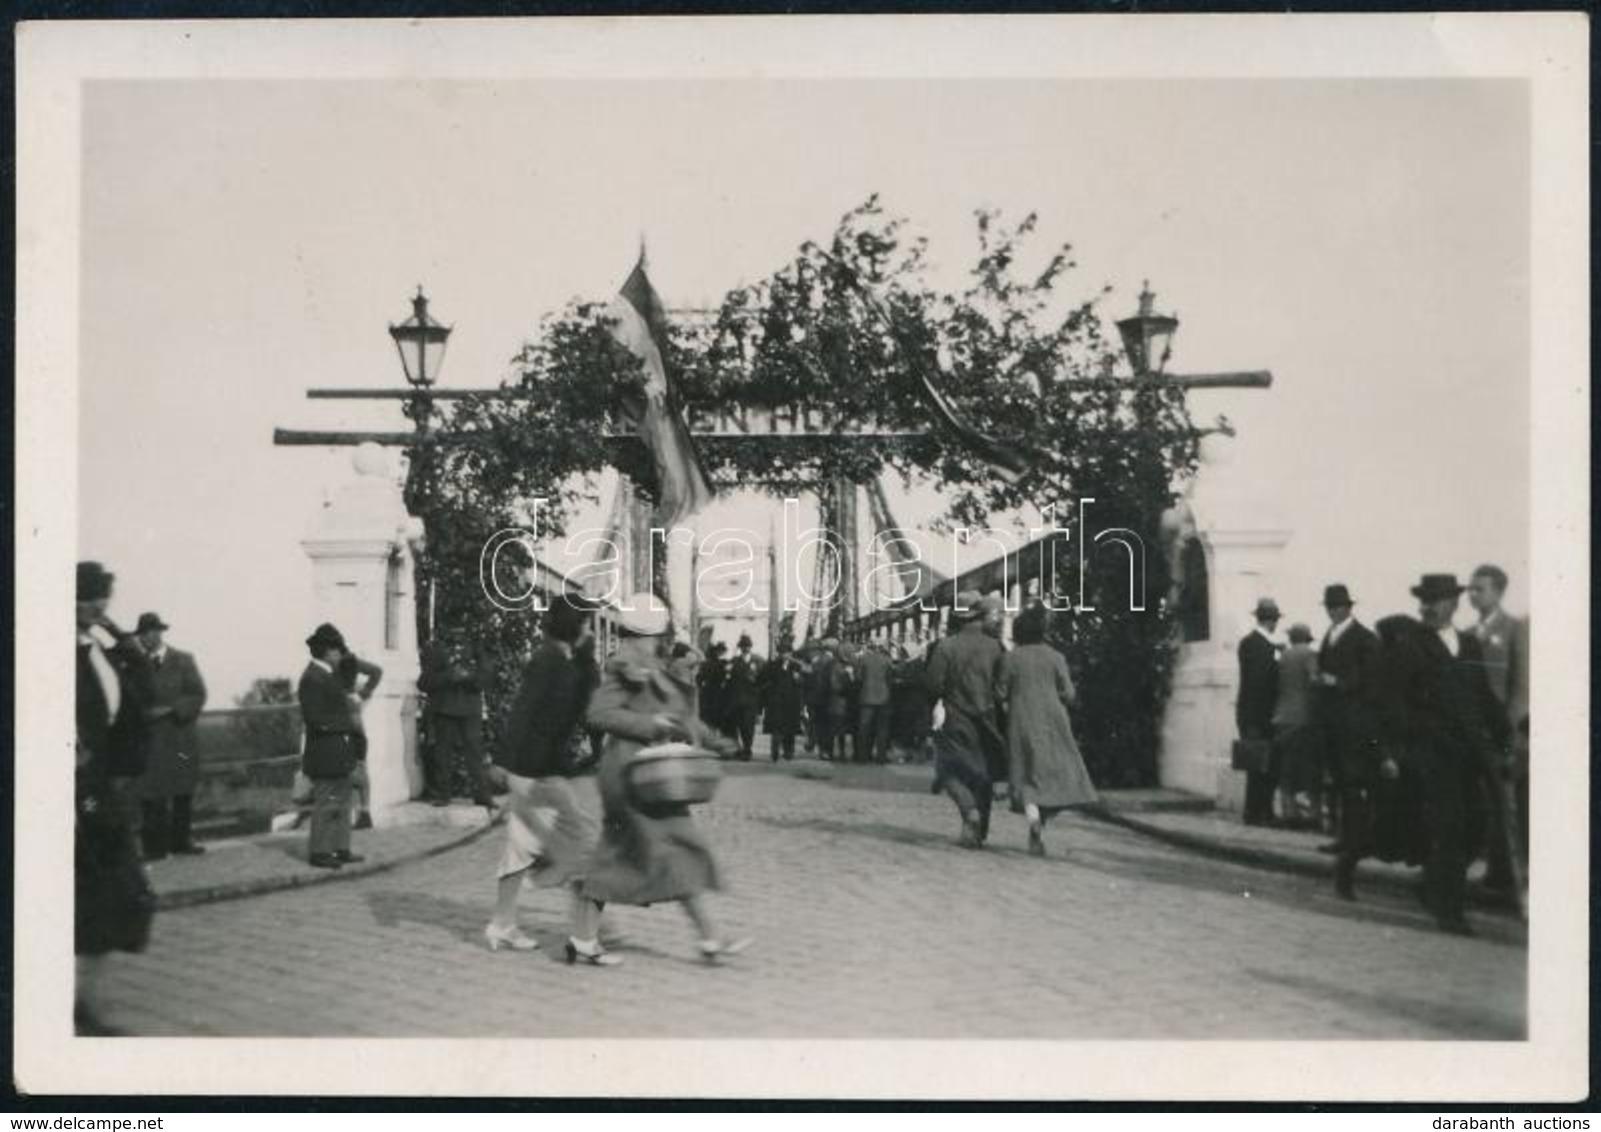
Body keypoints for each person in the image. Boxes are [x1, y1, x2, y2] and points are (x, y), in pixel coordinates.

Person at [578, 603, 751, 967]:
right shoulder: (622, 665)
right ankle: (710, 938)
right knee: (668, 849)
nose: (658, 644)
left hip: (653, 776)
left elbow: (680, 716)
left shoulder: (651, 666)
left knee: (640, 853)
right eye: (655, 637)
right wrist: (649, 723)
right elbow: (598, 714)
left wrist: (713, 739)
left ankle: (584, 938)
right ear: (640, 636)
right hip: (629, 776)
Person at [1382, 575, 1509, 934]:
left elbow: (1483, 695)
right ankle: (1449, 911)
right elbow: (1393, 701)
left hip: (1469, 752)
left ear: (1453, 604)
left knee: (1475, 827)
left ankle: (1431, 884)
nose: (1427, 607)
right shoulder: (1410, 645)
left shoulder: (1468, 644)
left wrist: (1505, 736)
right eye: (1424, 600)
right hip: (1431, 753)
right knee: (1450, 827)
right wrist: (1398, 748)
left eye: (1436, 600)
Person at [486, 596, 600, 954]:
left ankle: (502, 923)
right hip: (534, 769)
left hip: (543, 766)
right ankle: (578, 923)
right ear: (573, 624)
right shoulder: (547, 659)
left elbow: (585, 703)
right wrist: (504, 764)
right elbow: (523, 710)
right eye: (587, 622)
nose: (591, 629)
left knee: (520, 844)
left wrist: (586, 656)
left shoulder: (567, 659)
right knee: (583, 837)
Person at [75, 562, 156, 1035]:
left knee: (116, 893)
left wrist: (120, 636)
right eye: (88, 597)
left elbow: (141, 691)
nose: (98, 606)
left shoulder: (100, 649)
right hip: (70, 788)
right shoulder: (50, 647)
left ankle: (87, 1002)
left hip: (101, 784)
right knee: (85, 892)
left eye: (103, 597)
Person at [996, 604, 1098, 856]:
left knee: (1025, 772)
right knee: (1057, 772)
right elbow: (1069, 693)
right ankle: (1041, 820)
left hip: (1020, 720)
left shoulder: (1011, 657)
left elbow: (999, 692)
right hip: (1053, 721)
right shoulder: (1055, 657)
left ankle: (1032, 817)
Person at [927, 592, 1007, 848]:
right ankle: (979, 832)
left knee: (947, 770)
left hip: (954, 717)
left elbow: (932, 685)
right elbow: (1002, 687)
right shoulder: (996, 647)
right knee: (982, 774)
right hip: (986, 718)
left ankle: (968, 810)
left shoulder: (945, 646)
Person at [1467, 563, 1530, 891]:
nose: (1472, 595)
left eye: (1480, 589)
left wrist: (1511, 735)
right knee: (1483, 804)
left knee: (1507, 808)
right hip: (1473, 734)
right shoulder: (1469, 633)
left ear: (1499, 591)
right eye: (1470, 589)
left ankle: (1510, 879)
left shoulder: (1514, 628)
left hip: (1500, 735)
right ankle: (1494, 872)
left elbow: (1520, 687)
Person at [1316, 583, 1383, 881]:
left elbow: (1371, 681)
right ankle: (1345, 839)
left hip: (1354, 724)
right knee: (1340, 782)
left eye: (1337, 606)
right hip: (1332, 722)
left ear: (1348, 608)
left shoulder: (1365, 638)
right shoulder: (1329, 637)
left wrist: (1337, 682)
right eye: (1329, 606)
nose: (1333, 611)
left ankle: (1355, 841)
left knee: (1354, 783)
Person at [132, 612, 209, 859]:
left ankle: (181, 842)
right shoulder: (135, 664)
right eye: (141, 634)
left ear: (159, 633)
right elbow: (129, 700)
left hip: (179, 736)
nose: (145, 638)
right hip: (150, 738)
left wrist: (174, 709)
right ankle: (155, 848)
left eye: (149, 632)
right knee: (151, 793)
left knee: (182, 790)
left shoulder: (183, 660)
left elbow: (198, 694)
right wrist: (144, 714)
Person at [297, 623, 364, 870]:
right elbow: (315, 718)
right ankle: (320, 851)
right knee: (326, 801)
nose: (340, 654)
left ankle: (340, 847)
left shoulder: (328, 674)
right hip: (325, 749)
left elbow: (349, 670)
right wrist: (346, 724)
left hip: (337, 748)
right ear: (326, 651)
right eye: (336, 650)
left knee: (342, 801)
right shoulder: (312, 678)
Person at [418, 632, 495, 809]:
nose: (459, 631)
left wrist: (468, 677)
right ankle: (443, 794)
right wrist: (448, 676)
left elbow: (487, 677)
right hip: (444, 709)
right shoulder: (435, 650)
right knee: (442, 753)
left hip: (470, 710)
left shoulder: (477, 648)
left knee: (475, 753)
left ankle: (483, 795)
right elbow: (423, 682)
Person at [1235, 598, 1281, 826]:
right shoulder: (1263, 647)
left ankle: (1256, 811)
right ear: (1271, 621)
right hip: (1260, 715)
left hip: (1250, 713)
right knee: (1262, 767)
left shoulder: (1249, 643)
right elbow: (1259, 685)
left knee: (1258, 766)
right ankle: (1259, 812)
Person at [1270, 623, 1321, 829]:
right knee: (1309, 768)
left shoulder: (1284, 656)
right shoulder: (1310, 654)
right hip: (1303, 718)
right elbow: (1314, 680)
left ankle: (1289, 812)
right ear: (1307, 638)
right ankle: (1313, 815)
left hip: (1282, 717)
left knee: (1287, 768)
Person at [336, 650, 384, 830]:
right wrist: (362, 693)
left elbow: (377, 671)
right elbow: (376, 672)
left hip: (346, 721)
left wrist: (361, 694)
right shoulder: (348, 658)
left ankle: (360, 814)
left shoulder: (345, 659)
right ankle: (363, 813)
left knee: (352, 766)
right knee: (358, 766)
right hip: (352, 721)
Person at [760, 639, 806, 762]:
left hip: (792, 702)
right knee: (776, 728)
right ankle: (775, 751)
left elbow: (804, 682)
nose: (784, 655)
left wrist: (799, 679)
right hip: (777, 702)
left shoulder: (796, 666)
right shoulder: (773, 665)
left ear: (791, 653)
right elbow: (764, 681)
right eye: (782, 652)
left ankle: (788, 751)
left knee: (790, 728)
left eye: (787, 652)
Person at [855, 641, 893, 764]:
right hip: (883, 697)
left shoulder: (863, 659)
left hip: (867, 696)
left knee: (864, 728)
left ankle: (863, 756)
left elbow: (858, 677)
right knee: (882, 728)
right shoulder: (887, 660)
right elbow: (890, 678)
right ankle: (881, 757)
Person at [726, 634, 763, 761]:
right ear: (740, 648)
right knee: (739, 726)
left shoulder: (758, 661)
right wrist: (728, 671)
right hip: (737, 699)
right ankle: (741, 748)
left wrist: (756, 682)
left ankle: (748, 749)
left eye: (747, 646)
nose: (745, 648)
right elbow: (729, 679)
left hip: (752, 699)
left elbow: (764, 679)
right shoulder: (734, 661)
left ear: (750, 647)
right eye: (743, 646)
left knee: (749, 726)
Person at [805, 639, 839, 759]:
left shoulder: (816, 661)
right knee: (828, 726)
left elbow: (808, 679)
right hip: (829, 698)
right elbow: (833, 682)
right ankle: (826, 750)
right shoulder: (833, 662)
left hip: (815, 698)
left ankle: (818, 746)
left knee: (818, 724)